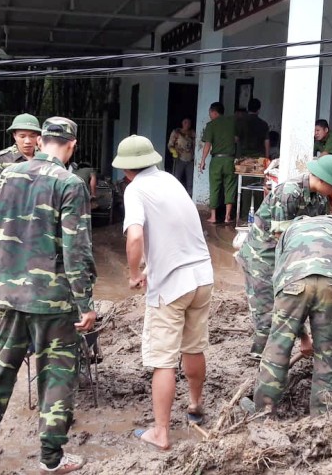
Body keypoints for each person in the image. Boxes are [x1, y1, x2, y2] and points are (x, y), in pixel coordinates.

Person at [0, 117, 96, 475]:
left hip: (8, 293)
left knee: (2, 367)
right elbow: (77, 250)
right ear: (71, 145)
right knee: (56, 373)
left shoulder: (7, 175)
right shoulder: (70, 184)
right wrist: (85, 303)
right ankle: (51, 458)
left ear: (41, 141)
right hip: (53, 300)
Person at [113, 134, 214, 450]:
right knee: (193, 346)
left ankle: (160, 432)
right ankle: (195, 405)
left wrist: (133, 274)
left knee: (163, 360)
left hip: (171, 286)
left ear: (127, 169)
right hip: (202, 276)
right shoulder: (170, 180)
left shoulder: (135, 190)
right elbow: (174, 230)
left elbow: (134, 238)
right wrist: (148, 266)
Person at [250, 215, 332, 415]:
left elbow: (279, 280)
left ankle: (263, 411)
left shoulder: (288, 233)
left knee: (277, 349)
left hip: (292, 284)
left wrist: (302, 336)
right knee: (327, 352)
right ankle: (325, 416)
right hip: (331, 284)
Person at [236, 154, 332, 358]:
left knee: (297, 299)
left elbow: (322, 230)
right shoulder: (289, 193)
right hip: (263, 256)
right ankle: (261, 358)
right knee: (269, 309)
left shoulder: (321, 198)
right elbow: (284, 239)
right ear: (322, 180)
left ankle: (282, 353)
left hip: (294, 252)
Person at [0, 113, 42, 207]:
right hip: (10, 213)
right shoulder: (1, 159)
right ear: (14, 135)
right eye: (22, 136)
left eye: (32, 136)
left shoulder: (46, 158)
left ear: (38, 137)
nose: (28, 141)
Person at [199, 102, 237, 224]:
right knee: (230, 187)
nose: (210, 115)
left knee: (214, 187)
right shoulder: (232, 123)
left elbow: (207, 144)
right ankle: (227, 217)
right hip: (230, 159)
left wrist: (202, 161)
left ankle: (213, 216)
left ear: (214, 112)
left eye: (210, 113)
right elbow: (237, 139)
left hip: (216, 160)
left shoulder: (211, 125)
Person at [236, 98, 270, 219]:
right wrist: (266, 158)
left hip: (244, 160)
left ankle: (244, 215)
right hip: (259, 159)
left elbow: (236, 139)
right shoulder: (263, 124)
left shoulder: (240, 122)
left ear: (247, 108)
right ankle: (258, 214)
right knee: (259, 188)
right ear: (259, 109)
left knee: (245, 188)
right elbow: (266, 142)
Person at [167, 117, 196, 196]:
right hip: (179, 159)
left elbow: (196, 146)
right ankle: (175, 196)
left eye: (189, 123)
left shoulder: (193, 133)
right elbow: (170, 145)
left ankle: (190, 197)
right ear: (182, 123)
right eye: (185, 122)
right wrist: (173, 151)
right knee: (177, 179)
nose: (187, 124)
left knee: (190, 181)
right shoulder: (176, 132)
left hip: (190, 160)